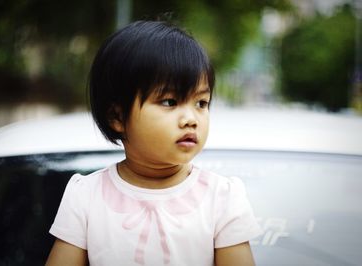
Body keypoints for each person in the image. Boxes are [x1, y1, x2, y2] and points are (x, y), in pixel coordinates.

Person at [46, 20, 261, 266]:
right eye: (170, 102)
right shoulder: (86, 196)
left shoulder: (222, 198)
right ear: (117, 117)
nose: (191, 119)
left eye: (201, 103)